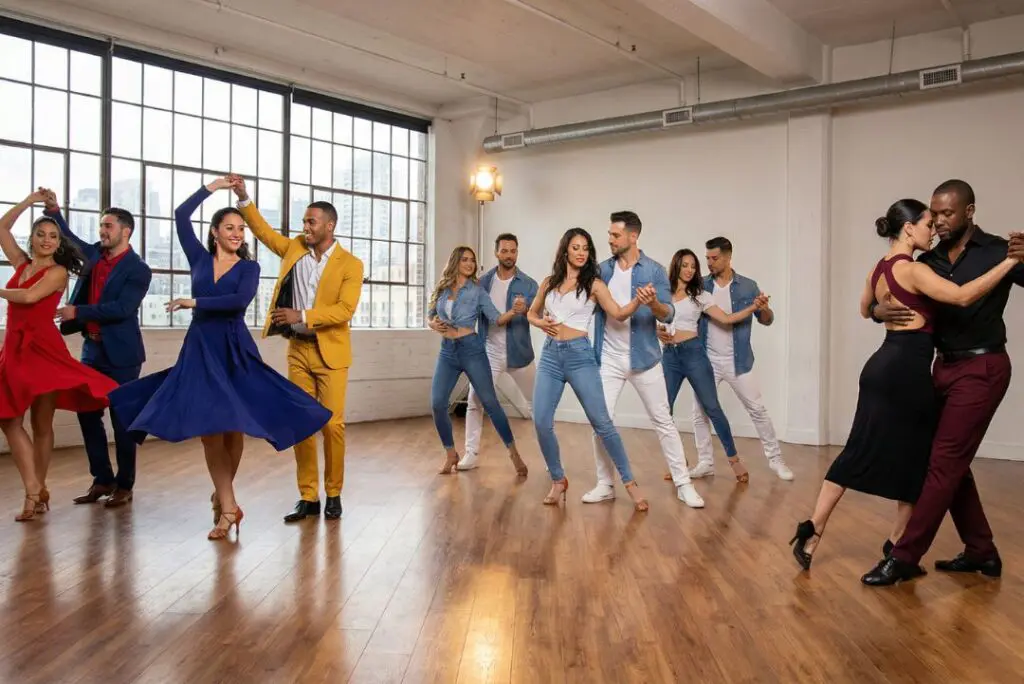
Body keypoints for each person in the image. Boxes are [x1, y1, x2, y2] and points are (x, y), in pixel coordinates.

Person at [791, 198, 1017, 571]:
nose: (934, 230)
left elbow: (866, 309)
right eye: (929, 223)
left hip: (879, 366)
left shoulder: (877, 269)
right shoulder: (912, 269)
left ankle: (813, 529)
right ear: (909, 228)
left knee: (856, 449)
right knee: (920, 459)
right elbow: (960, 297)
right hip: (907, 371)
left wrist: (880, 310)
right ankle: (898, 545)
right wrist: (1009, 262)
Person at [107, 179, 332, 540]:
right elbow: (181, 215)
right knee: (210, 430)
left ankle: (222, 491)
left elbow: (237, 303)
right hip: (200, 349)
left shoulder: (249, 269)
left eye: (241, 229)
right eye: (230, 227)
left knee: (233, 430)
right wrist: (211, 187)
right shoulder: (198, 258)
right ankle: (228, 507)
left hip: (234, 349)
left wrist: (192, 302)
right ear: (214, 233)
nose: (238, 234)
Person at [862, 180, 1024, 586]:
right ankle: (981, 551)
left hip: (984, 367)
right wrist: (880, 311)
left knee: (944, 461)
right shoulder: (929, 260)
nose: (938, 221)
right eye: (933, 214)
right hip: (942, 367)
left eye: (947, 213)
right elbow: (893, 300)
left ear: (969, 211)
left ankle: (903, 555)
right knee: (953, 464)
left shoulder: (999, 251)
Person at [230, 175, 363, 523]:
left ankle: (334, 493)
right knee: (302, 422)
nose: (305, 226)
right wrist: (244, 197)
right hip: (298, 351)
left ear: (329, 226)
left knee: (332, 425)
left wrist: (301, 314)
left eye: (311, 222)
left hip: (331, 354)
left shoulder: (351, 264)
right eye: (304, 221)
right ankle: (308, 496)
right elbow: (262, 230)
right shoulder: (294, 249)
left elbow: (344, 311)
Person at [0, 190, 118, 521]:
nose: (47, 240)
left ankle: (35, 491)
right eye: (41, 234)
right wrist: (28, 202)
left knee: (41, 421)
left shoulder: (58, 272)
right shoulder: (21, 263)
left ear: (59, 242)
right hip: (13, 349)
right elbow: (1, 229)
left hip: (42, 350)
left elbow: (27, 297)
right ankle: (35, 488)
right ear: (33, 238)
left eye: (53, 235)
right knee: (9, 419)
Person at [582, 211, 704, 509]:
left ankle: (683, 484)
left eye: (615, 235)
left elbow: (668, 314)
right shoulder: (601, 271)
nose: (609, 239)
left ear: (633, 236)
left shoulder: (655, 271)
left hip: (645, 358)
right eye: (609, 234)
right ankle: (605, 483)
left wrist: (654, 304)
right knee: (601, 422)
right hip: (608, 358)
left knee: (663, 421)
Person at [528, 228, 650, 511]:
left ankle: (630, 483)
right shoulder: (548, 283)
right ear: (565, 251)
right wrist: (539, 323)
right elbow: (531, 313)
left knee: (602, 423)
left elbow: (618, 313)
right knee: (540, 421)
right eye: (575, 247)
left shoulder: (594, 285)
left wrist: (638, 301)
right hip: (550, 357)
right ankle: (558, 480)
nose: (581, 252)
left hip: (579, 357)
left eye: (585, 248)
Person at [44, 193, 151, 508]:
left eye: (107, 226)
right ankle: (102, 479)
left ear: (125, 231)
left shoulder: (138, 269)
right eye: (101, 225)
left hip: (122, 357)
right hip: (92, 351)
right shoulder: (92, 256)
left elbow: (121, 308)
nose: (102, 231)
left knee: (122, 423)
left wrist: (80, 312)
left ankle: (125, 484)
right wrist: (54, 211)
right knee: (87, 414)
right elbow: (69, 238)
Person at [657, 248, 765, 483]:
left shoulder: (700, 295)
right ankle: (679, 462)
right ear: (676, 265)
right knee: (663, 412)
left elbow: (727, 319)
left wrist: (753, 308)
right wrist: (658, 331)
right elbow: (653, 321)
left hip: (694, 354)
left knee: (712, 408)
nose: (689, 270)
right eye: (685, 265)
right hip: (670, 357)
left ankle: (734, 460)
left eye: (693, 266)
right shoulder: (662, 294)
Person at [690, 237, 793, 481]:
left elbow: (766, 319)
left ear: (728, 257)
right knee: (699, 413)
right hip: (707, 362)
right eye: (707, 258)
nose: (709, 263)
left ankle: (776, 460)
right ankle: (705, 462)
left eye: (714, 258)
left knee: (757, 409)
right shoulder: (701, 286)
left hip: (739, 361)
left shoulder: (748, 286)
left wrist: (764, 307)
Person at [427, 246, 528, 476]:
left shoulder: (478, 291)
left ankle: (514, 453)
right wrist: (433, 324)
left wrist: (514, 311)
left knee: (490, 403)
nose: (470, 264)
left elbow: (496, 319)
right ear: (455, 262)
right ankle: (451, 453)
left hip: (471, 350)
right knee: (437, 403)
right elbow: (430, 314)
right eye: (465, 260)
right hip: (447, 351)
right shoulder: (442, 289)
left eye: (472, 260)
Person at [460, 233, 538, 471]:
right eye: (504, 251)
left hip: (520, 355)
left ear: (517, 252)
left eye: (513, 251)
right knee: (474, 400)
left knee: (539, 405)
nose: (509, 255)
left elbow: (540, 316)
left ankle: (549, 457)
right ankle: (470, 454)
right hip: (488, 354)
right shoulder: (482, 282)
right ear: (496, 253)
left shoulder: (529, 284)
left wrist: (526, 311)